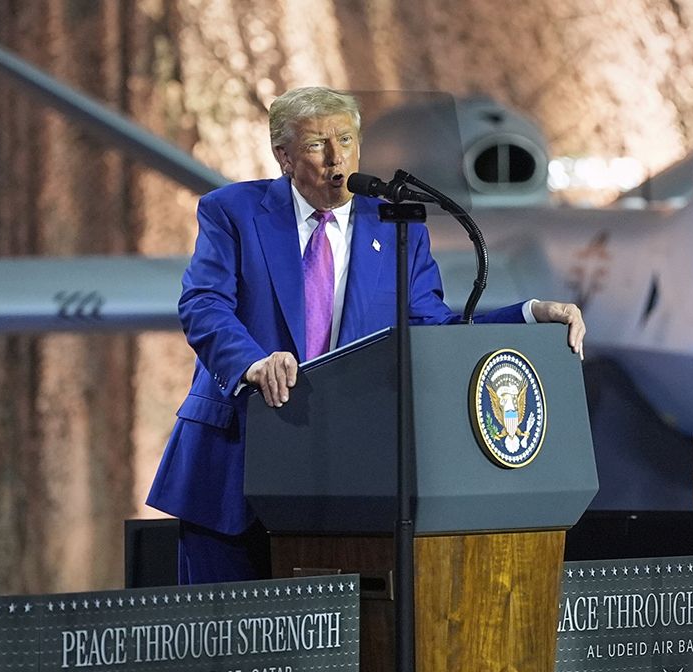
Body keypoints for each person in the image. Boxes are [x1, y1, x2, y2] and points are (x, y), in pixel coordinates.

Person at [146, 86, 587, 585]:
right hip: (234, 465)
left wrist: (528, 317)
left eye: (347, 140)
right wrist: (251, 363)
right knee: (223, 646)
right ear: (284, 156)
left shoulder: (396, 227)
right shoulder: (234, 212)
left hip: (340, 474)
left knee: (326, 652)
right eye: (317, 145)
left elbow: (431, 331)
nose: (337, 158)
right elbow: (204, 304)